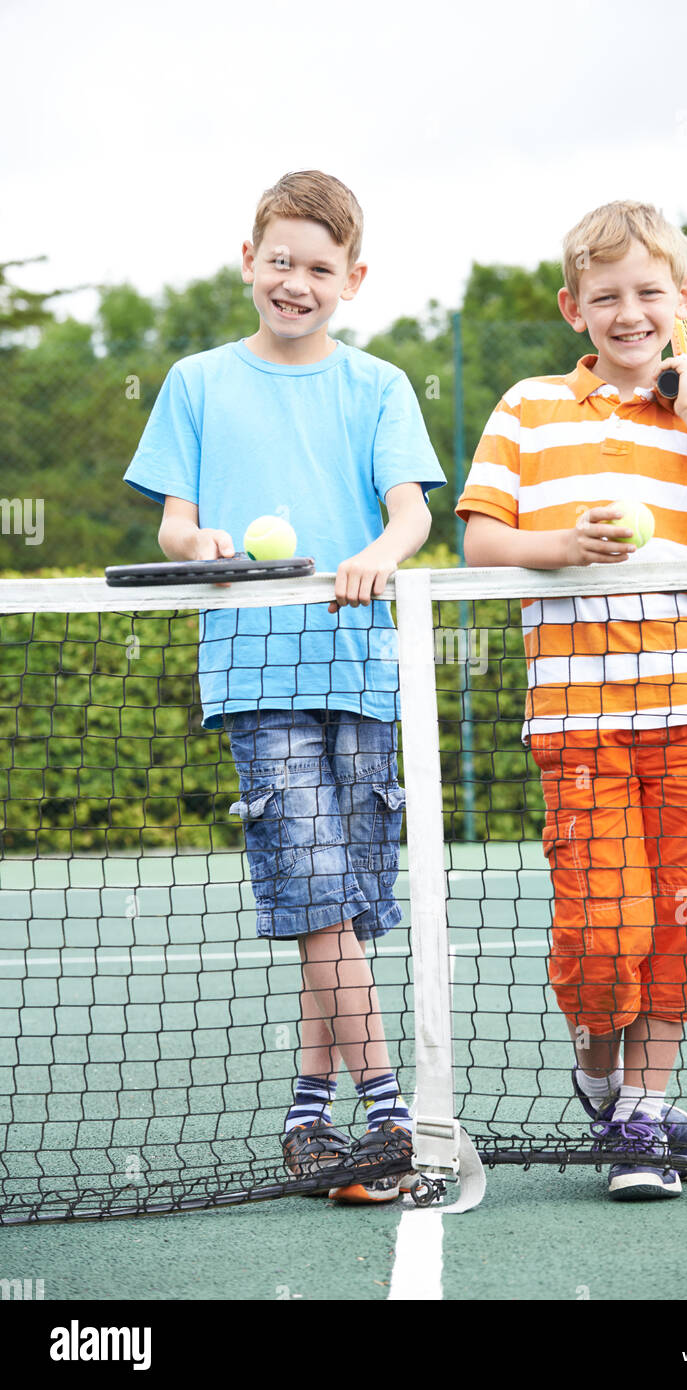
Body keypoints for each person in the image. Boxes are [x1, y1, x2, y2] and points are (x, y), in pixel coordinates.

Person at [124, 170, 446, 1203]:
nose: (295, 282)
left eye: (318, 267)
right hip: (255, 673)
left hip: (360, 669)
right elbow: (174, 524)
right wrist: (201, 541)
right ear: (248, 260)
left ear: (352, 278)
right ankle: (390, 1113)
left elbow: (413, 513)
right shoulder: (197, 380)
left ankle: (310, 1111)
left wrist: (377, 554)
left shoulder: (380, 386)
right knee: (316, 894)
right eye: (280, 261)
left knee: (341, 909)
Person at [456, 201, 687, 1201]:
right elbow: (479, 543)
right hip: (577, 721)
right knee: (602, 934)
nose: (630, 312)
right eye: (607, 296)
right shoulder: (527, 406)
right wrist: (562, 549)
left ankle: (640, 1115)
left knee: (684, 926)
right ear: (573, 308)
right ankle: (600, 1071)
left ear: (683, 297)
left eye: (650, 292)